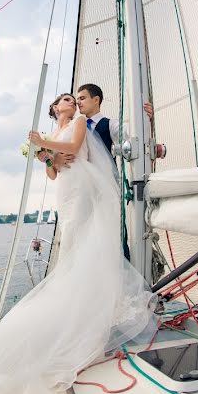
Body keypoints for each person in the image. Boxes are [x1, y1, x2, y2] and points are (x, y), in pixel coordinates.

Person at [0, 93, 157, 394]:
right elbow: (53, 171)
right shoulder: (55, 128)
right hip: (65, 189)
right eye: (67, 99)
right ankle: (75, 302)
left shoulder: (78, 123)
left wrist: (45, 144)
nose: (72, 101)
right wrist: (47, 157)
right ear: (54, 109)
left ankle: (90, 305)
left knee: (82, 243)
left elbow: (76, 147)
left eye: (75, 97)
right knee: (69, 242)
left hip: (83, 187)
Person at [75, 84, 153, 261]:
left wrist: (146, 118)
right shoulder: (75, 127)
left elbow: (132, 134)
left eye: (82, 98)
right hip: (82, 187)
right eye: (77, 99)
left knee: (113, 231)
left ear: (96, 100)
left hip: (105, 186)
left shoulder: (109, 124)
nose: (78, 102)